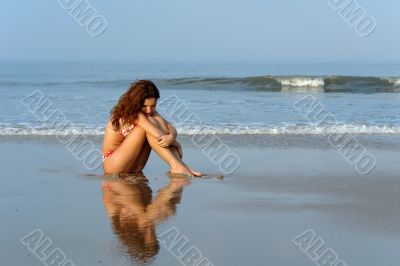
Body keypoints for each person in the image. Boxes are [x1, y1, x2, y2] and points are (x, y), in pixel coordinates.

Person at [102, 80, 202, 177]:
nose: (149, 110)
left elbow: (169, 127)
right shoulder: (134, 113)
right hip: (113, 164)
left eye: (153, 105)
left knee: (156, 122)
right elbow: (157, 134)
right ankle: (177, 166)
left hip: (134, 166)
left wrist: (171, 136)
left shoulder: (149, 113)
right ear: (136, 102)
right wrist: (177, 144)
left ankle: (180, 166)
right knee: (147, 128)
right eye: (145, 106)